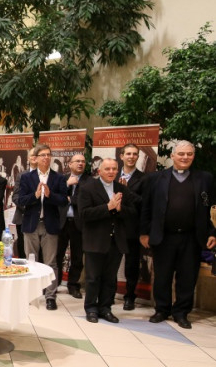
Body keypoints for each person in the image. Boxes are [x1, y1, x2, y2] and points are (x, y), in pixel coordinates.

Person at [140, 141, 216, 329]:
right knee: (162, 276)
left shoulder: (205, 179)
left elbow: (209, 209)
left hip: (192, 238)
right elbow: (146, 208)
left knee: (187, 277)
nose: (185, 157)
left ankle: (181, 312)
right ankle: (162, 310)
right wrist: (144, 233)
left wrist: (212, 233)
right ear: (172, 156)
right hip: (164, 237)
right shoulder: (155, 179)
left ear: (193, 156)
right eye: (181, 154)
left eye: (189, 154)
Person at [79, 158, 133, 323]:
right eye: (107, 169)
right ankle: (91, 308)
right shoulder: (87, 188)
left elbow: (133, 213)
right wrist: (107, 208)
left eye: (114, 169)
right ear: (99, 171)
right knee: (93, 278)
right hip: (95, 241)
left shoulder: (122, 188)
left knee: (110, 278)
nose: (111, 172)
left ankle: (105, 308)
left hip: (116, 241)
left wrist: (119, 209)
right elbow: (84, 214)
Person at [17, 143, 67, 310]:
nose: (46, 157)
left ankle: (50, 296)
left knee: (51, 262)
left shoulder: (58, 178)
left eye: (48, 155)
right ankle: (31, 294)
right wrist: (35, 195)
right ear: (36, 158)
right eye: (43, 155)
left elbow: (63, 201)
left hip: (50, 225)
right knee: (31, 261)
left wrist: (50, 195)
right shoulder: (26, 177)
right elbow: (20, 200)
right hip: (31, 224)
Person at [118, 143, 148, 310]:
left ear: (138, 157)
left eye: (134, 154)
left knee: (131, 265)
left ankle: (129, 296)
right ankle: (107, 293)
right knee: (110, 263)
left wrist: (126, 191)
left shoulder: (144, 179)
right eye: (128, 153)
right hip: (112, 226)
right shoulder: (112, 174)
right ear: (121, 156)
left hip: (132, 227)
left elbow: (144, 203)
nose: (131, 157)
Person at [56, 153, 87, 299]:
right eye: (77, 161)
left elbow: (85, 200)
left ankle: (73, 285)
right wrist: (67, 185)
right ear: (70, 164)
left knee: (77, 257)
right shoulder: (62, 179)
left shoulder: (89, 181)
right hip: (61, 222)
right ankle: (54, 283)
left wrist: (70, 199)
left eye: (83, 161)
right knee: (57, 255)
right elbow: (55, 196)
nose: (80, 164)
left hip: (78, 223)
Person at [12, 148, 38, 259]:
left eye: (37, 155)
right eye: (32, 155)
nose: (34, 157)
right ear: (28, 158)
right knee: (23, 252)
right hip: (23, 217)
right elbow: (15, 197)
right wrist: (27, 207)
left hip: (42, 220)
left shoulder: (49, 175)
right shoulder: (21, 175)